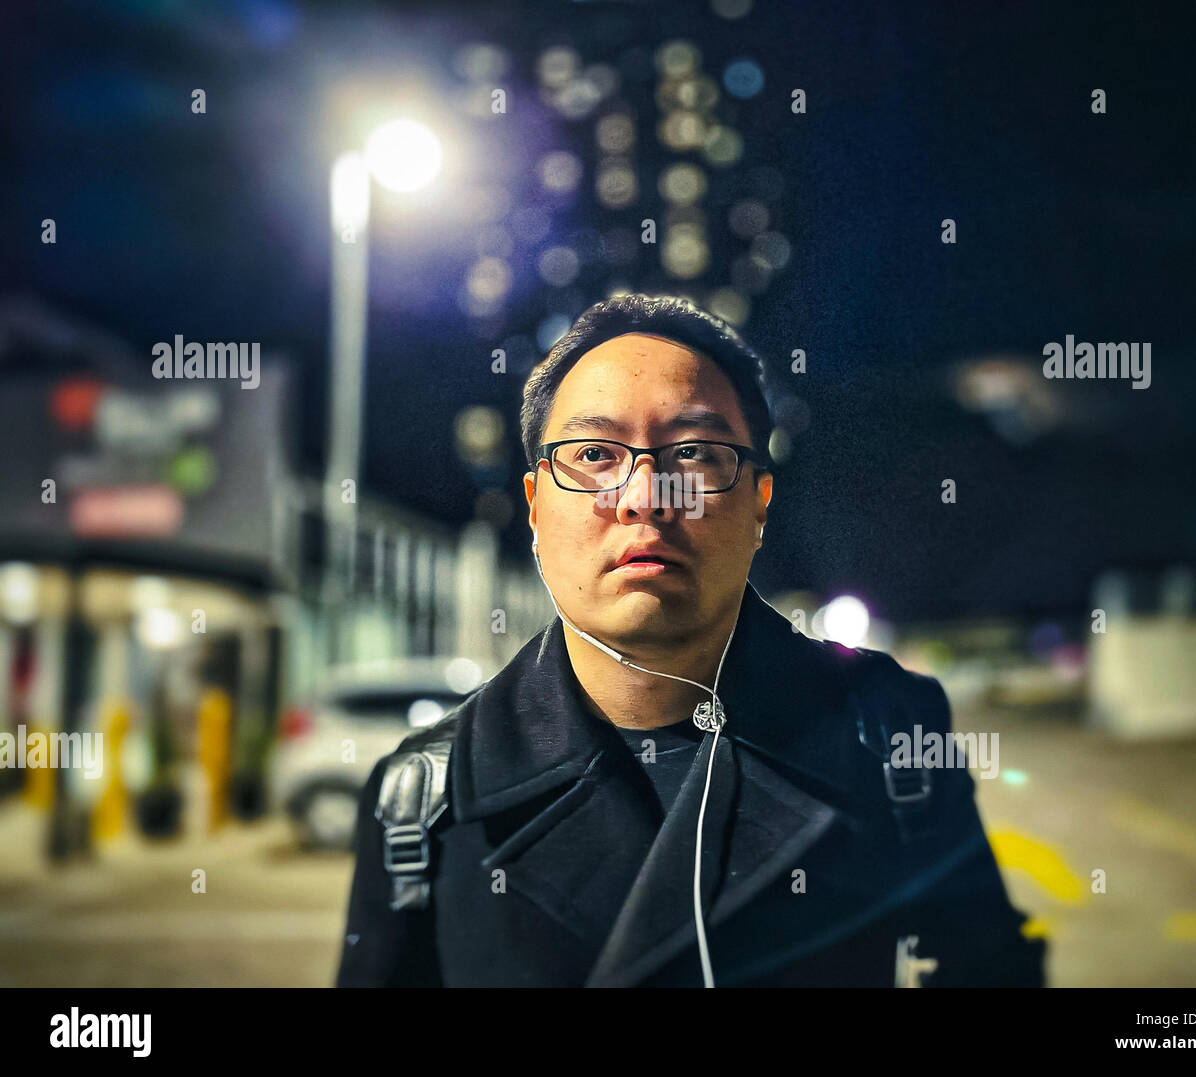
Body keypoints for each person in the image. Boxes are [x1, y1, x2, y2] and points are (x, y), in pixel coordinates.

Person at [336, 293, 1046, 987]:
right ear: (534, 506)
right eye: (592, 453)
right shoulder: (423, 798)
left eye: (696, 453)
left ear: (759, 504)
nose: (645, 496)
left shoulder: (883, 732)